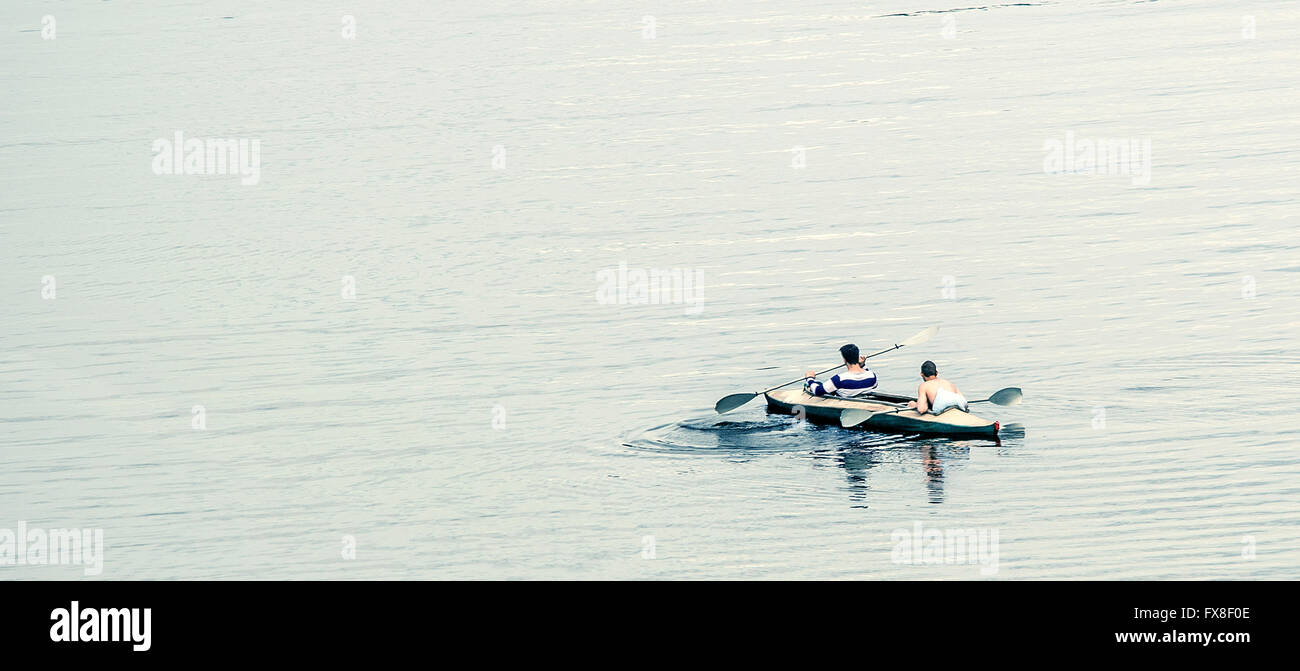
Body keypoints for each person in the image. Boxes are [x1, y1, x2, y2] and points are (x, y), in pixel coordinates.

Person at [804, 344, 878, 397]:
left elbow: (817, 391)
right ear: (857, 357)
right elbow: (874, 386)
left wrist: (810, 378)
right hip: (865, 398)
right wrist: (862, 365)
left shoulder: (839, 379)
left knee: (817, 384)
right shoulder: (872, 375)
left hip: (849, 402)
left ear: (844, 360)